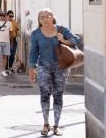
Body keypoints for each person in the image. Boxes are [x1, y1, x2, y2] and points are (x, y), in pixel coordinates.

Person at [28, 8, 81, 136]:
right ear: (39, 20)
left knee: (58, 95)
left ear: (53, 17)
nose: (45, 18)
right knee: (44, 94)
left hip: (61, 67)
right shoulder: (36, 33)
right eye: (42, 17)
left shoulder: (62, 30)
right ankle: (46, 124)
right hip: (43, 66)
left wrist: (63, 40)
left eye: (48, 16)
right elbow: (33, 52)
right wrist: (31, 69)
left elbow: (76, 40)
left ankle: (56, 126)